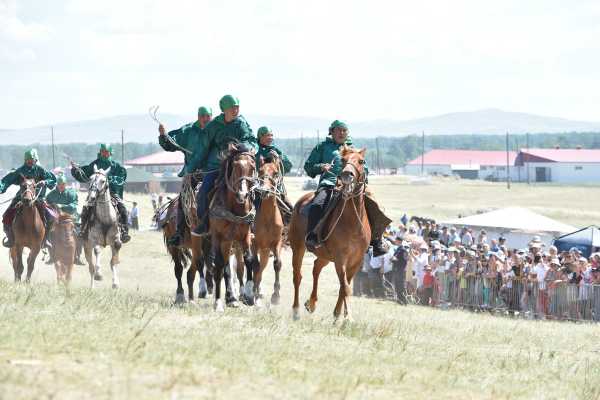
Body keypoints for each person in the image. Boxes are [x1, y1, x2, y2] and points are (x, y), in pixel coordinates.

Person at [303, 119, 391, 256]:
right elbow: (308, 166)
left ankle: (376, 239)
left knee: (374, 204)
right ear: (331, 132)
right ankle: (313, 236)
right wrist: (321, 167)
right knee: (317, 204)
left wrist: (362, 174)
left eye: (344, 131)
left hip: (353, 185)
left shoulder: (353, 149)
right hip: (330, 183)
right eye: (338, 130)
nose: (341, 133)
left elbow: (364, 168)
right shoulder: (322, 147)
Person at [192, 95, 258, 237]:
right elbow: (203, 147)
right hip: (216, 165)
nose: (235, 110)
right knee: (203, 192)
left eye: (237, 107)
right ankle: (203, 223)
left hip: (239, 165)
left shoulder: (241, 123)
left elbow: (251, 140)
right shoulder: (214, 125)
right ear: (224, 110)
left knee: (258, 190)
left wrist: (242, 147)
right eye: (232, 108)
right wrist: (194, 166)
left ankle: (255, 223)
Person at [159, 106, 212, 245]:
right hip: (193, 173)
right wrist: (163, 136)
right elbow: (171, 143)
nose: (206, 119)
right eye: (203, 116)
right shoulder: (188, 131)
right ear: (198, 116)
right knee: (183, 199)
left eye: (208, 116)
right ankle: (179, 232)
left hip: (213, 172)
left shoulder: (216, 130)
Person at [70, 143, 130, 243]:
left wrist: (108, 179)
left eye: (106, 152)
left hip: (112, 193)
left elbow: (121, 179)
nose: (104, 154)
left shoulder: (116, 166)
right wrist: (76, 170)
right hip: (96, 194)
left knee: (123, 209)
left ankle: (124, 232)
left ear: (110, 153)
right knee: (86, 208)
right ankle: (83, 230)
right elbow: (84, 175)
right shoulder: (95, 164)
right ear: (100, 152)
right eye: (103, 152)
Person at [0, 149, 57, 248]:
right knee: (6, 216)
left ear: (35, 160)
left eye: (32, 159)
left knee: (51, 216)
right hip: (21, 197)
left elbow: (52, 179)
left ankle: (46, 239)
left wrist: (46, 182)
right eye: (28, 160)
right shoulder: (20, 170)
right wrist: (1, 188)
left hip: (38, 197)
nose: (30, 161)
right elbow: (7, 180)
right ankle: (10, 239)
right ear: (25, 160)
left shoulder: (40, 170)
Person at [255, 126, 294, 222]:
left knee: (291, 211)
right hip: (257, 187)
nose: (270, 138)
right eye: (267, 135)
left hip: (275, 189)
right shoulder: (254, 150)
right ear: (260, 136)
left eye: (271, 135)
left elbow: (288, 166)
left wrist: (279, 158)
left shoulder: (275, 150)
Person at [45, 173, 79, 264]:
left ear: (66, 184)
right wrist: (51, 208)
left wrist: (62, 206)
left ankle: (77, 256)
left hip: (70, 216)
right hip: (55, 218)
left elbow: (74, 206)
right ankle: (51, 256)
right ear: (57, 184)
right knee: (48, 232)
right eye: (59, 184)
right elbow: (46, 205)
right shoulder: (51, 195)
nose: (61, 186)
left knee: (79, 232)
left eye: (63, 184)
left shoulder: (72, 193)